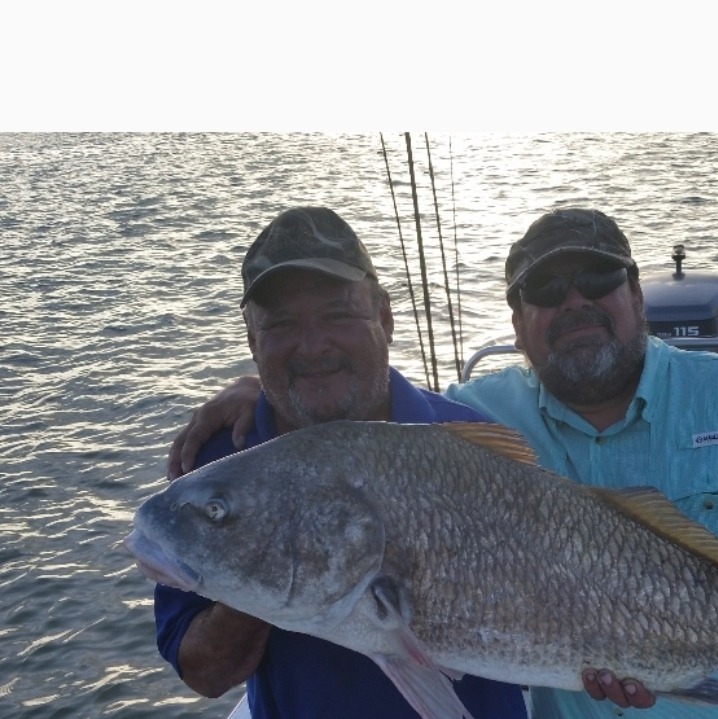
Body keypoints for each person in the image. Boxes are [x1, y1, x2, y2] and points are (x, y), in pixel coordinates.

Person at [168, 208, 718, 718]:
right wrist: (264, 414)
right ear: (516, 322)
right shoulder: (468, 421)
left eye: (597, 278)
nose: (575, 302)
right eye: (545, 291)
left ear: (637, 295)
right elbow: (345, 422)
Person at [153, 207, 528, 719]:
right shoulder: (217, 472)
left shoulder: (466, 440)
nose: (312, 347)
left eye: (337, 315)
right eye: (282, 324)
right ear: (252, 340)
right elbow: (203, 672)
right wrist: (267, 555)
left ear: (385, 318)